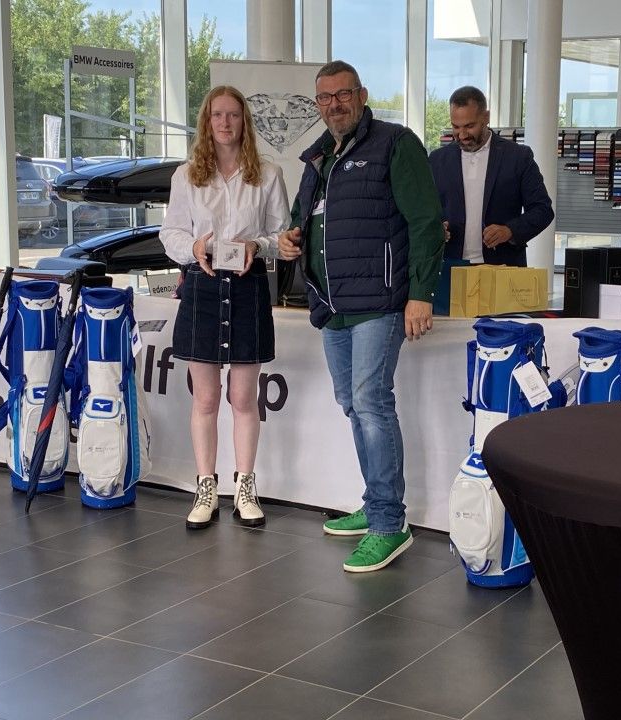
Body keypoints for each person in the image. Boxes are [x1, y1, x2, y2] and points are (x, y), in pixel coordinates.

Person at [278, 60, 444, 573]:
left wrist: (421, 293)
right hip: (332, 306)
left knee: (372, 402)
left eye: (343, 94)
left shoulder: (396, 144)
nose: (335, 104)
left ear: (362, 94)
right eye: (325, 98)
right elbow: (301, 218)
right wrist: (290, 239)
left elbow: (426, 222)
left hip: (379, 301)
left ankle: (389, 524)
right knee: (353, 404)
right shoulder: (318, 156)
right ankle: (375, 505)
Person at [160, 85, 290, 530]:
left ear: (244, 121)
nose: (225, 123)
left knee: (243, 398)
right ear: (206, 120)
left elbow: (282, 235)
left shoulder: (268, 174)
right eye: (217, 114)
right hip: (203, 285)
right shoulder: (186, 176)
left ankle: (246, 489)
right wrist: (194, 247)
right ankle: (206, 489)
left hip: (249, 286)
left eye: (233, 115)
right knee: (207, 398)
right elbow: (170, 234)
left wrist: (257, 245)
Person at [428, 86, 554, 267]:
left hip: (502, 267)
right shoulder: (436, 160)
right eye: (456, 127)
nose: (462, 135)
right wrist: (436, 228)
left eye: (469, 126)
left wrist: (509, 231)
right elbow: (427, 211)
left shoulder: (518, 157)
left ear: (486, 118)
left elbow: (542, 210)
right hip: (449, 266)